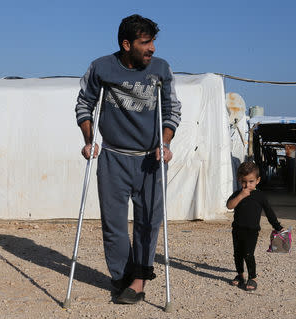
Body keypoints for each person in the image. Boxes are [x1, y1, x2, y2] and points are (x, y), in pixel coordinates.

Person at [75, 14, 181, 304]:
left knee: (149, 221)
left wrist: (166, 142)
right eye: (145, 43)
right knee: (114, 225)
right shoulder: (101, 68)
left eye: (153, 42)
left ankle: (139, 280)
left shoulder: (161, 70)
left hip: (150, 159)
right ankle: (122, 277)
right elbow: (85, 103)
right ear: (126, 44)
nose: (152, 49)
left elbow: (172, 110)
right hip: (112, 157)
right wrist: (88, 140)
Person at [226, 161, 283, 291]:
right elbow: (229, 206)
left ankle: (253, 277)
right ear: (239, 180)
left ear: (258, 180)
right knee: (237, 254)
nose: (247, 185)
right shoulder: (237, 194)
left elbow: (269, 212)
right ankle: (240, 275)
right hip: (237, 230)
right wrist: (241, 195)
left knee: (248, 254)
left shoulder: (260, 196)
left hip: (252, 231)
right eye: (244, 182)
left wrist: (277, 226)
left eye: (251, 182)